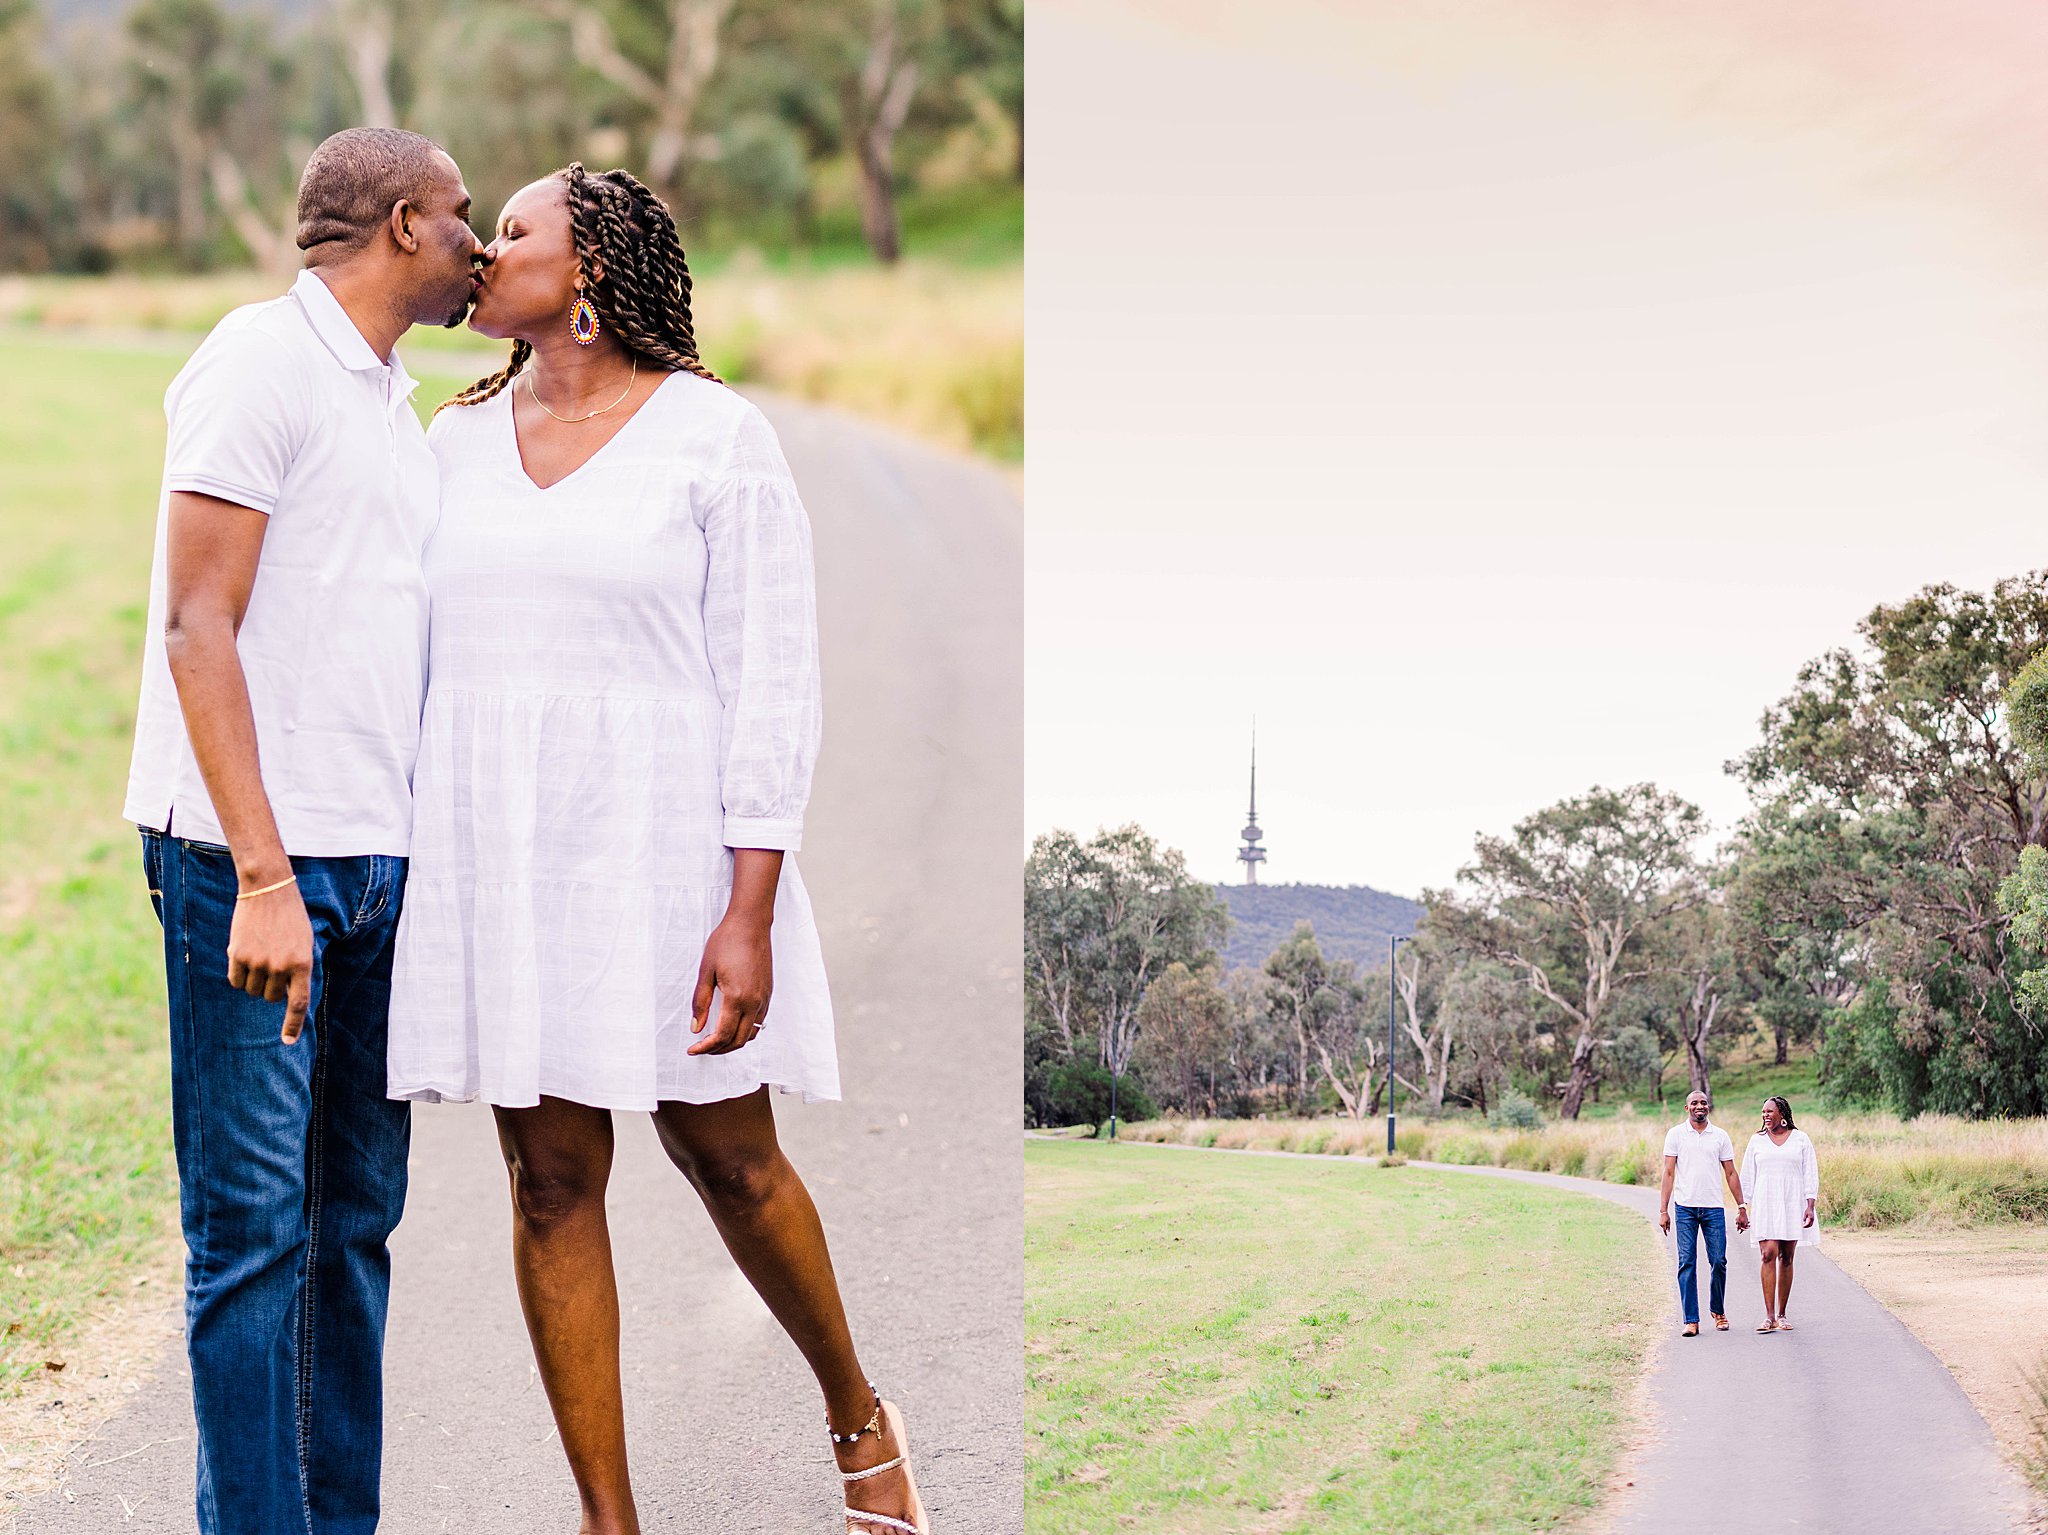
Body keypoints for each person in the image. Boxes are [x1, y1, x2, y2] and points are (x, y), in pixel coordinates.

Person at [383, 164, 926, 1535]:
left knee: (728, 1155)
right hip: (506, 856)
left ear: (589, 274)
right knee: (550, 1177)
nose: (482, 249)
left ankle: (859, 1413)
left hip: (667, 849)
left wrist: (748, 906)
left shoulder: (715, 437)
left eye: (513, 231)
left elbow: (772, 680)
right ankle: (607, 1517)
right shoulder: (446, 443)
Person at [122, 128, 484, 1534]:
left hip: (371, 873)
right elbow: (196, 624)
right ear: (402, 223)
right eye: (463, 219)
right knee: (255, 1240)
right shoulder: (257, 360)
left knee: (350, 1233)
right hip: (249, 870)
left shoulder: (391, 402)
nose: (477, 245)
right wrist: (266, 874)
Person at [1657, 1089, 1749, 1336]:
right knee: (1686, 1262)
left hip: (1713, 1209)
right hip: (1685, 1208)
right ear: (1687, 1108)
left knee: (1718, 1260)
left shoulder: (1719, 1136)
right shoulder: (1676, 1134)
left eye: (1704, 1103)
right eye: (1695, 1103)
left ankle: (1718, 1311)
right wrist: (1663, 1210)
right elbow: (1668, 1173)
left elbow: (1730, 1173)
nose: (1700, 1106)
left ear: (1709, 1107)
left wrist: (1741, 1207)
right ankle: (1691, 1320)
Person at [1742, 1094, 1819, 1333]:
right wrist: (1743, 1207)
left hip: (1791, 1202)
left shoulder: (1800, 1139)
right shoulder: (1756, 1141)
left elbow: (1810, 1173)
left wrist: (1810, 1204)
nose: (1765, 1115)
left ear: (1782, 1115)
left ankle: (1783, 1314)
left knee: (1786, 1257)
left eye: (1770, 1111)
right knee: (1768, 1253)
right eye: (1763, 1111)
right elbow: (1747, 1176)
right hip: (1766, 1203)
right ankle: (1769, 1316)